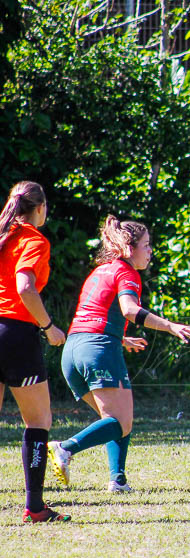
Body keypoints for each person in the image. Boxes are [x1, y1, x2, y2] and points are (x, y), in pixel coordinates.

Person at [48, 216, 190, 493]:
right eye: (146, 245)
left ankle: (118, 480)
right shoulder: (127, 272)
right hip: (97, 350)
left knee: (116, 420)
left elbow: (94, 315)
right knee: (120, 421)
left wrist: (120, 337)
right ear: (129, 248)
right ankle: (65, 448)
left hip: (73, 351)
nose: (150, 251)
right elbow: (129, 310)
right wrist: (171, 326)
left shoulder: (101, 270)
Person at [0, 182, 70, 522]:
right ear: (39, 208)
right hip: (15, 334)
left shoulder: (2, 234)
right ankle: (35, 507)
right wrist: (47, 326)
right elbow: (24, 285)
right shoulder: (33, 239)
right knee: (39, 421)